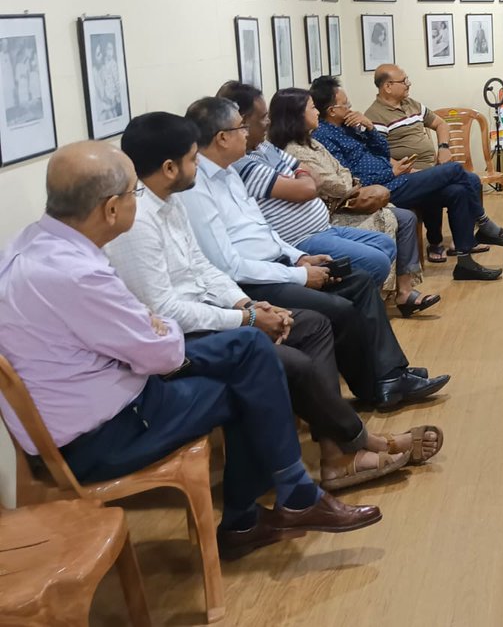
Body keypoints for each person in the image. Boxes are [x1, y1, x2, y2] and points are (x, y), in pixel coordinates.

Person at [0, 141, 380, 560]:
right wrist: (154, 328)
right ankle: (266, 508)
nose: (137, 201)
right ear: (111, 209)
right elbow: (160, 355)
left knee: (251, 355)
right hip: (104, 435)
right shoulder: (79, 273)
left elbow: (152, 324)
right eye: (132, 193)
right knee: (251, 378)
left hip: (88, 406)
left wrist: (163, 325)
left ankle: (282, 502)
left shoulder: (28, 247)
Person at [106, 113, 443, 490]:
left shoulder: (171, 202)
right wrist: (247, 317)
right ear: (170, 167)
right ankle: (359, 442)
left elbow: (202, 267)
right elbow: (168, 310)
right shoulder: (137, 222)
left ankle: (338, 452)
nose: (195, 165)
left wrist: (242, 306)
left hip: (220, 306)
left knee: (315, 324)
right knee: (298, 355)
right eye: (189, 159)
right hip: (180, 339)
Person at [178, 96, 450, 409]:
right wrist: (299, 274)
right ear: (221, 138)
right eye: (240, 128)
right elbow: (229, 266)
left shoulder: (229, 173)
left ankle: (390, 376)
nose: (247, 133)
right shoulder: (197, 189)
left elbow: (262, 230)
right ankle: (376, 386)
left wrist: (297, 257)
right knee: (341, 308)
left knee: (359, 282)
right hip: (254, 282)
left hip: (281, 263)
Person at [311, 76, 503, 281]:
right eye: (347, 105)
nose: (351, 108)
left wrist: (369, 128)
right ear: (332, 110)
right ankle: (485, 225)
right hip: (385, 188)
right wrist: (392, 172)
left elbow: (381, 150)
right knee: (455, 171)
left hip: (396, 177)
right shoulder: (324, 138)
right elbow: (352, 177)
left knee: (458, 191)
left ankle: (465, 263)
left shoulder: (349, 125)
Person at [271, 87, 438, 318]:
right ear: (297, 115)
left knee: (409, 215)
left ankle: (403, 292)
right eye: (312, 109)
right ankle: (371, 303)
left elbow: (344, 171)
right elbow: (336, 185)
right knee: (440, 182)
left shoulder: (314, 141)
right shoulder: (295, 150)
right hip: (337, 211)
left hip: (355, 196)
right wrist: (350, 182)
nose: (316, 113)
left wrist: (368, 129)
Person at [216, 81, 398, 288]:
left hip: (323, 227)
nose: (268, 122)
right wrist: (301, 176)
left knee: (385, 244)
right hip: (300, 239)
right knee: (377, 261)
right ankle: (353, 298)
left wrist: (299, 175)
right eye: (263, 117)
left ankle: (357, 295)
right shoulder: (243, 162)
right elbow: (309, 188)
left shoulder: (265, 147)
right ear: (244, 122)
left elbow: (317, 178)